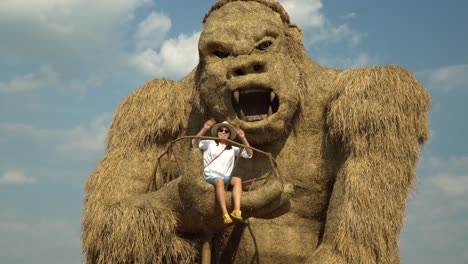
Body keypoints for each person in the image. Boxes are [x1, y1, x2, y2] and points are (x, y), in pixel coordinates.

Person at [192, 118, 253, 224]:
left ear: (229, 134)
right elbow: (195, 143)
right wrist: (204, 128)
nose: (223, 132)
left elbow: (249, 154)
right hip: (210, 174)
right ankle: (225, 214)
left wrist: (243, 138)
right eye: (221, 130)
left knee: (237, 180)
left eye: (226, 131)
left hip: (226, 177)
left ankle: (237, 211)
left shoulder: (232, 148)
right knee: (219, 180)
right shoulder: (210, 143)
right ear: (217, 132)